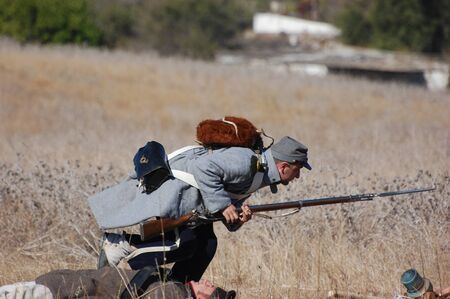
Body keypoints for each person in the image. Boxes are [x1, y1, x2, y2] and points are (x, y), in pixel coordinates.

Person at [88, 131, 311, 284]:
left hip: (196, 204)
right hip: (179, 192)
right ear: (284, 167)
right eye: (298, 169)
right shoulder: (247, 163)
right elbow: (203, 167)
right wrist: (224, 206)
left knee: (206, 247)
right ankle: (121, 244)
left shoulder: (259, 172)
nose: (298, 176)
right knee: (182, 245)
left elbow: (226, 194)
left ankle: (175, 290)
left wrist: (237, 217)